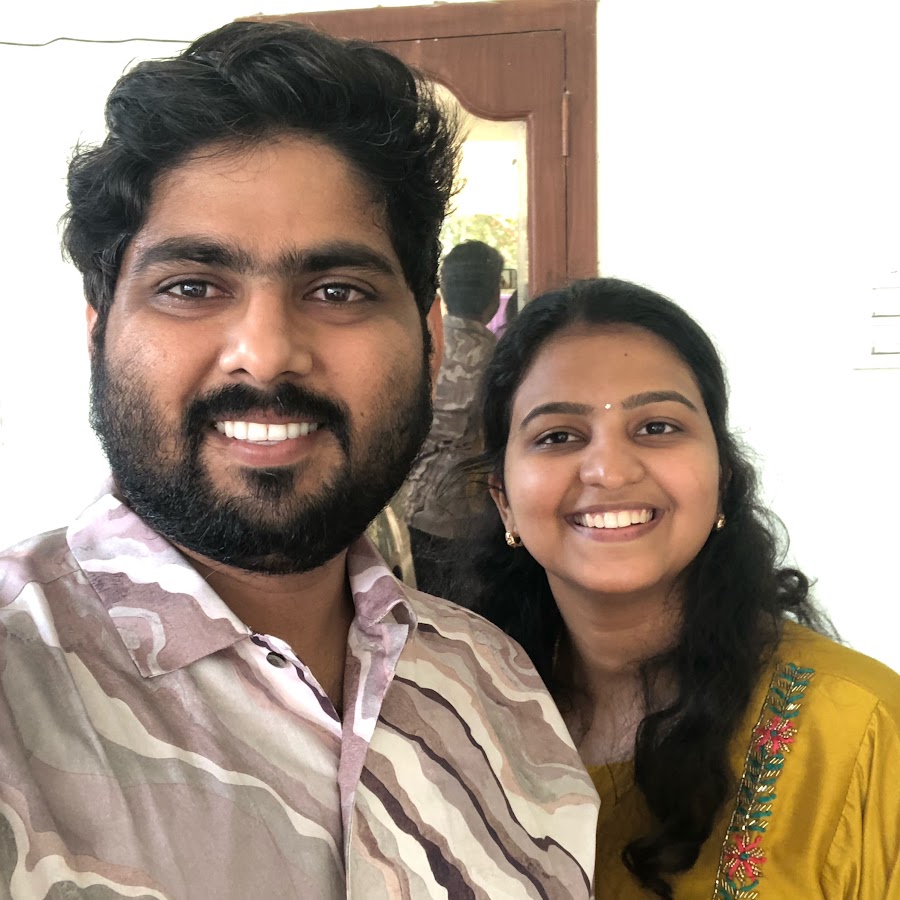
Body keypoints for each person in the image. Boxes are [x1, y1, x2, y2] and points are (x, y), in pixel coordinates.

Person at [0, 23, 599, 899]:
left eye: (337, 291)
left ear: (430, 339)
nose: (267, 353)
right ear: (99, 335)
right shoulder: (19, 682)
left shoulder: (495, 688)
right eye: (191, 287)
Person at [449, 277, 900, 898]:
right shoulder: (443, 712)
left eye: (657, 427)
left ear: (723, 477)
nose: (609, 470)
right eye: (558, 436)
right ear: (503, 500)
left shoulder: (862, 729)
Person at [400, 240, 503, 594]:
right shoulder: (501, 362)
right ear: (494, 296)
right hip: (458, 521)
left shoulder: (414, 345)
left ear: (443, 291)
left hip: (397, 510)